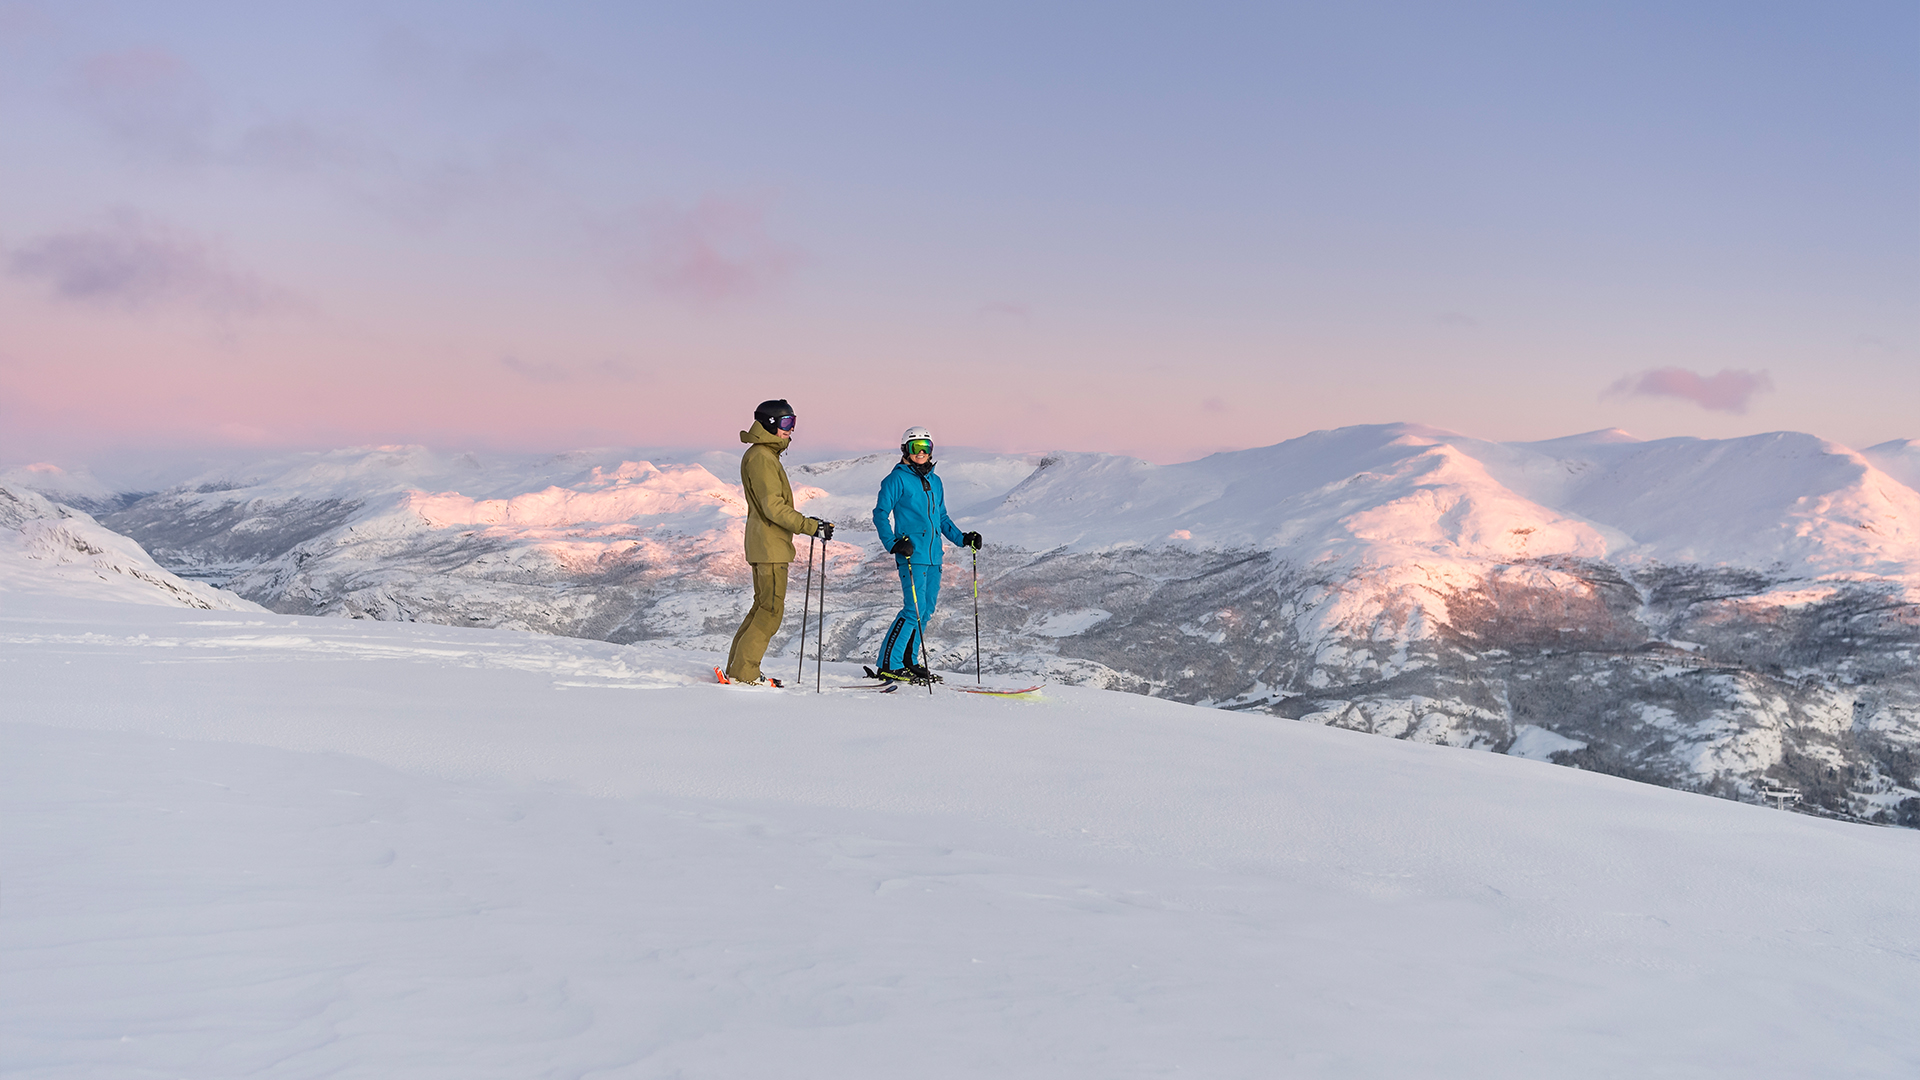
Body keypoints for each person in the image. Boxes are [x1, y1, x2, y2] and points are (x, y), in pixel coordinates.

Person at [723, 398, 834, 687]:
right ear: (771, 424)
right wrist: (810, 526)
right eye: (786, 424)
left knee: (762, 607)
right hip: (769, 545)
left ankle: (738, 669)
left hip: (766, 544)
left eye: (793, 423)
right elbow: (773, 507)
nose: (790, 430)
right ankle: (744, 673)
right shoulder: (761, 457)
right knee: (770, 611)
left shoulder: (763, 455)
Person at [871, 426, 982, 682]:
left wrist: (963, 538)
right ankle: (889, 663)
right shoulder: (896, 479)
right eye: (915, 447)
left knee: (927, 610)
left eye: (926, 447)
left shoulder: (935, 481)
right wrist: (893, 543)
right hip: (911, 554)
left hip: (934, 557)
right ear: (905, 450)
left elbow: (941, 518)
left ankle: (909, 660)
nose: (921, 452)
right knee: (913, 610)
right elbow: (880, 513)